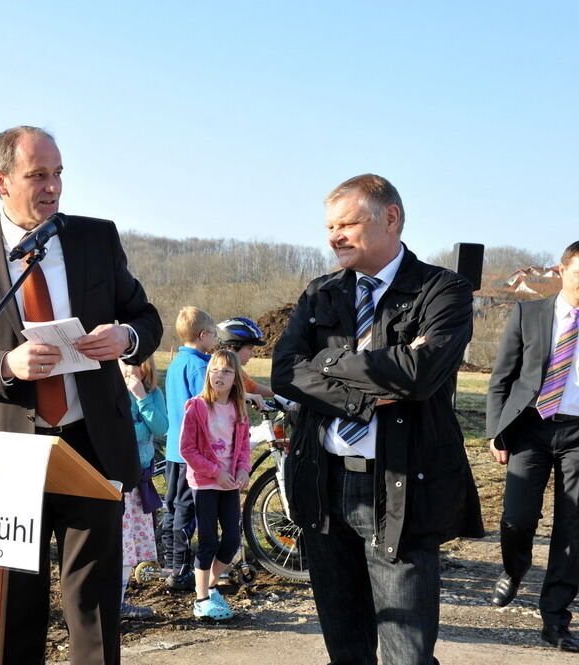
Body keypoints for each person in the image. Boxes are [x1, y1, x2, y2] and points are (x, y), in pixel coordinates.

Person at [0, 125, 162, 665]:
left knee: (95, 604)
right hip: (10, 450)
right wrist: (4, 365)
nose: (53, 187)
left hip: (91, 443)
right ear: (0, 181)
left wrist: (126, 339)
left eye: (58, 174)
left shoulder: (95, 238)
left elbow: (145, 317)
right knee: (16, 603)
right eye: (38, 175)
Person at [271, 174, 483, 664]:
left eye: (347, 223)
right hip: (323, 485)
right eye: (329, 226)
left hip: (399, 488)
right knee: (346, 649)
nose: (334, 236)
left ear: (391, 218)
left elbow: (419, 374)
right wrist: (364, 396)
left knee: (408, 652)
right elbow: (284, 371)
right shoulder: (320, 293)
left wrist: (322, 362)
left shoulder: (442, 290)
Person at [486, 240, 579, 652]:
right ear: (562, 270)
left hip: (578, 434)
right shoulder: (529, 313)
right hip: (530, 429)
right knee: (517, 517)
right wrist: (495, 430)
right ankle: (514, 567)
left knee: (573, 528)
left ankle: (555, 619)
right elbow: (501, 377)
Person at [179, 349, 251, 621]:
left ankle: (209, 585)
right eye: (215, 370)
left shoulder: (238, 407)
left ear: (236, 378)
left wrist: (244, 469)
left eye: (227, 371)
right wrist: (214, 472)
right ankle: (201, 600)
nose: (219, 375)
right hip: (204, 483)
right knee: (208, 541)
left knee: (232, 539)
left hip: (229, 484)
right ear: (208, 374)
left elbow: (243, 446)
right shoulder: (197, 407)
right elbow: (187, 449)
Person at [162, 306, 214, 590]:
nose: (214, 341)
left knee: (172, 506)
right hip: (190, 452)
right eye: (213, 335)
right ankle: (179, 569)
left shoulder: (176, 362)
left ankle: (171, 560)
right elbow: (206, 407)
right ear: (203, 335)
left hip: (173, 448)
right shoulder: (199, 367)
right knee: (186, 508)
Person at [119, 356, 167, 619]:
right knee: (118, 543)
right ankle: (108, 601)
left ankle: (119, 601)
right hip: (115, 479)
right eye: (123, 363)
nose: (129, 369)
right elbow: (120, 432)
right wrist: (142, 428)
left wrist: (141, 398)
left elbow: (161, 426)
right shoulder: (111, 392)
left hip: (139, 480)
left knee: (131, 546)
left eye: (135, 363)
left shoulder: (152, 393)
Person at [216, 316, 274, 399]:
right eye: (250, 349)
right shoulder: (218, 372)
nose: (252, 354)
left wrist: (282, 393)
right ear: (232, 347)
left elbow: (252, 388)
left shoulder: (234, 369)